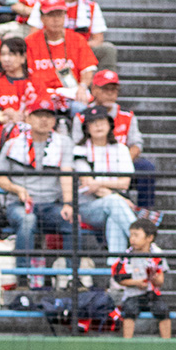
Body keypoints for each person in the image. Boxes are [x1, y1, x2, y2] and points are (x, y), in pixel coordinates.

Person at [0, 99, 73, 283]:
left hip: (51, 205)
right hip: (18, 204)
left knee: (71, 219)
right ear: (28, 117)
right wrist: (17, 189)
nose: (43, 120)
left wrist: (68, 204)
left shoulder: (63, 143)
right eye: (38, 115)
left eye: (48, 116)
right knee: (28, 219)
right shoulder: (13, 143)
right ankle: (23, 276)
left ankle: (71, 276)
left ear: (54, 120)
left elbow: (67, 174)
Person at [71, 103, 138, 258]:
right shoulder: (78, 150)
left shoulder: (121, 149)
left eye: (102, 121)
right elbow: (88, 185)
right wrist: (118, 197)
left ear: (110, 124)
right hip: (88, 206)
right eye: (93, 122)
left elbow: (124, 183)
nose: (98, 125)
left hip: (116, 206)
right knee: (114, 203)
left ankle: (116, 272)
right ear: (86, 128)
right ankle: (146, 244)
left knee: (114, 219)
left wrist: (99, 183)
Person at [111, 219, 172, 338]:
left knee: (163, 310)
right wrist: (136, 283)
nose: (132, 239)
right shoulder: (126, 256)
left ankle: (167, 343)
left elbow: (160, 282)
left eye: (136, 235)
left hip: (152, 294)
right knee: (129, 310)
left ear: (149, 238)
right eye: (131, 235)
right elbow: (120, 279)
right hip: (132, 295)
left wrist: (154, 279)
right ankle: (127, 343)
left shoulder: (157, 254)